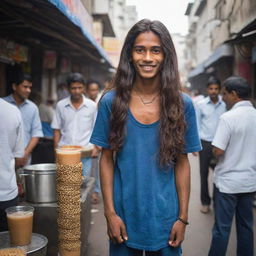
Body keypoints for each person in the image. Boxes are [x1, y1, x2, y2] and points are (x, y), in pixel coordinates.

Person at [90, 19, 201, 256]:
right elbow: (106, 159)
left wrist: (182, 218)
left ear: (166, 56)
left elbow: (183, 163)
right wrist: (110, 214)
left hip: (166, 220)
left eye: (156, 50)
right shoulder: (111, 102)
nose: (148, 58)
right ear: (130, 55)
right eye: (140, 50)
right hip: (123, 218)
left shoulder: (183, 105)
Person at [208, 76, 256, 256]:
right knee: (246, 228)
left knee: (222, 229)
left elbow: (218, 151)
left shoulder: (228, 117)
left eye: (225, 94)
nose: (223, 98)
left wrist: (214, 150)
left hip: (227, 184)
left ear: (234, 94)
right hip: (249, 183)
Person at [52, 73, 99, 177]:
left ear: (84, 88)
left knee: (84, 182)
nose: (77, 91)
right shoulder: (61, 105)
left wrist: (96, 147)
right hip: (65, 152)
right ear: (68, 88)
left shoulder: (92, 106)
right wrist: (56, 151)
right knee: (67, 185)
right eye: (73, 88)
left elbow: (96, 128)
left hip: (85, 152)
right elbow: (56, 130)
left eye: (79, 88)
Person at [195, 77, 226, 214]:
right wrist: (195, 146)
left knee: (220, 172)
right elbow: (196, 124)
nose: (213, 91)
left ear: (219, 89)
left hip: (221, 142)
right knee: (204, 173)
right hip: (205, 143)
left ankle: (218, 202)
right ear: (207, 90)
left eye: (216, 89)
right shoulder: (201, 104)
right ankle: (205, 202)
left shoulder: (225, 104)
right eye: (211, 89)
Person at [3, 74, 43, 166]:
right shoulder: (3, 105)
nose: (28, 90)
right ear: (14, 86)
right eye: (25, 87)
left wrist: (25, 153)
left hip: (24, 159)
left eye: (30, 87)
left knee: (22, 180)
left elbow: (36, 133)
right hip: (3, 157)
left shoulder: (33, 108)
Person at [0, 99, 24, 231]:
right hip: (6, 191)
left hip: (7, 191)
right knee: (7, 244)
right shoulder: (12, 111)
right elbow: (19, 156)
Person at [85, 80, 102, 203]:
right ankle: (86, 193)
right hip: (86, 141)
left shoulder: (100, 102)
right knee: (86, 171)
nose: (94, 92)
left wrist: (98, 144)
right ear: (87, 90)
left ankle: (95, 191)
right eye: (91, 89)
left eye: (96, 89)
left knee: (95, 170)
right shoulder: (87, 105)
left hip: (96, 142)